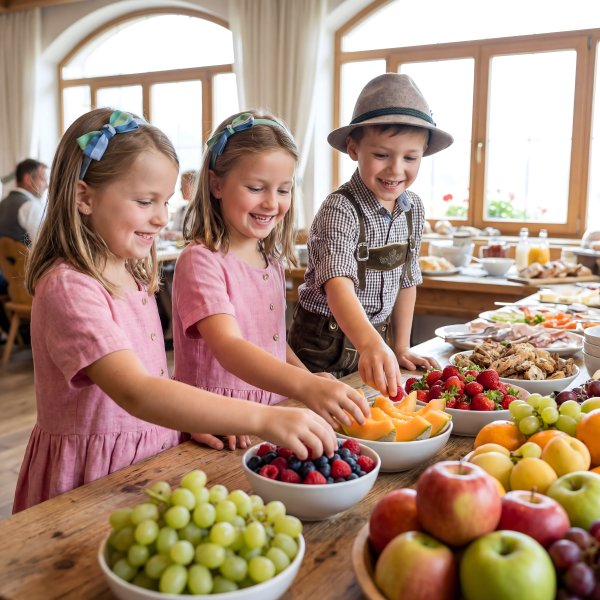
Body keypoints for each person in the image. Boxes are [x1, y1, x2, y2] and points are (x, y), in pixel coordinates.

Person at [13, 108, 338, 513]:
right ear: (84, 197)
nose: (161, 217)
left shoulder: (130, 272)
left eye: (165, 201)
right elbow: (135, 389)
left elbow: (157, 376)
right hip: (92, 478)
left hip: (150, 458)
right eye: (145, 201)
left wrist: (185, 418)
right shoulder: (70, 288)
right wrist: (264, 419)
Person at [171, 110, 370, 451]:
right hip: (220, 422)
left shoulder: (271, 260)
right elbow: (231, 348)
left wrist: (305, 377)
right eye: (256, 187)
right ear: (216, 184)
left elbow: (270, 344)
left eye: (283, 190)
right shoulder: (200, 261)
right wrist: (304, 387)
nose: (271, 202)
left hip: (271, 414)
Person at [288, 74, 454, 397]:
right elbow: (338, 286)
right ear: (353, 148)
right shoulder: (340, 209)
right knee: (317, 426)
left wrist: (400, 345)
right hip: (321, 348)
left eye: (410, 158)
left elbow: (407, 279)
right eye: (381, 155)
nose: (395, 169)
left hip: (374, 341)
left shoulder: (413, 209)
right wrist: (370, 343)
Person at [0, 158, 49, 245]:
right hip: (26, 258)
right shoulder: (31, 206)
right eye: (43, 180)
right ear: (28, 180)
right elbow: (42, 246)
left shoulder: (3, 202)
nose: (47, 186)